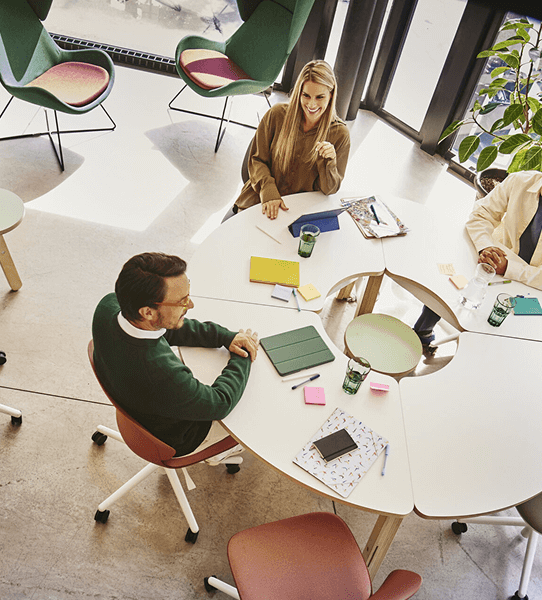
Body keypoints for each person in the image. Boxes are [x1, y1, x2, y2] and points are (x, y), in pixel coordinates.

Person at [414, 145, 542, 353]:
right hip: (493, 257)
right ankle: (422, 333)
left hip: (531, 285)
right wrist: (486, 247)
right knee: (451, 282)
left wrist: (508, 268)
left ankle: (477, 354)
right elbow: (480, 215)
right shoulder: (520, 181)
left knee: (503, 330)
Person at [92, 252, 260, 457]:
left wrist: (224, 337)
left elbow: (167, 326)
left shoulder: (109, 306)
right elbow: (220, 402)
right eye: (182, 301)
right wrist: (243, 355)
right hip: (180, 437)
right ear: (148, 312)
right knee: (258, 408)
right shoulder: (162, 374)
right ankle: (221, 452)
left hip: (135, 404)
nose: (191, 305)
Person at [229, 60, 351, 220]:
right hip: (259, 200)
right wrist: (269, 192)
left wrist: (329, 162)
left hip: (297, 213)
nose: (312, 104)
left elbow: (329, 190)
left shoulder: (340, 134)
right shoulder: (276, 115)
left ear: (331, 95)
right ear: (298, 92)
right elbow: (256, 160)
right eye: (306, 95)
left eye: (320, 97)